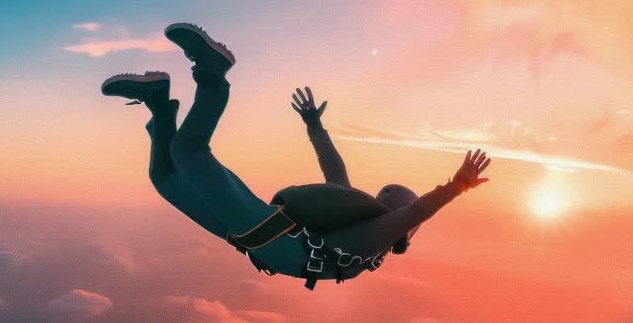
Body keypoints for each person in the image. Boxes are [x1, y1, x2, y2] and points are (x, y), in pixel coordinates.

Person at [101, 23, 491, 289]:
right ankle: (212, 72)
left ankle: (158, 103)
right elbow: (335, 171)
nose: (382, 202)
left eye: (387, 201)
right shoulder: (360, 218)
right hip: (259, 228)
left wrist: (456, 187)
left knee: (166, 179)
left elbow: (414, 211)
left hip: (250, 233)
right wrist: (314, 127)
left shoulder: (376, 237)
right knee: (189, 152)